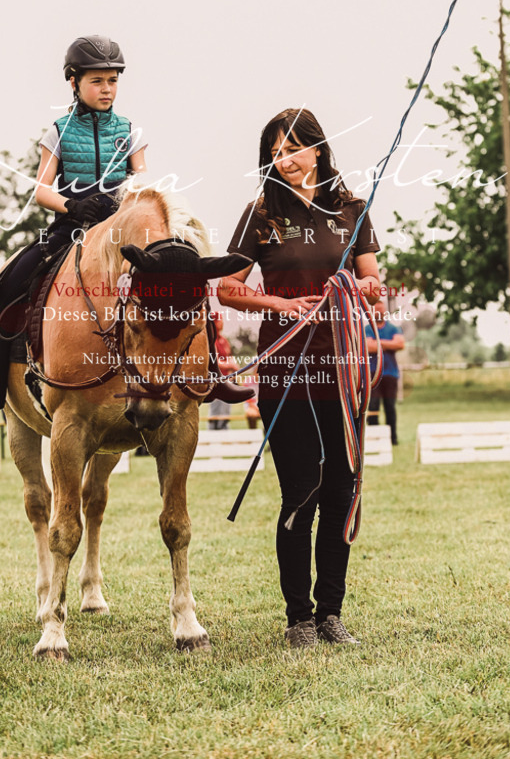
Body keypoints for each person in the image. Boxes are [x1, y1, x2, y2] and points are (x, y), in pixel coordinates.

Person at [218, 107, 380, 649]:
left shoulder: (352, 210)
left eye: (292, 148)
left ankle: (331, 613)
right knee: (301, 493)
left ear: (317, 149)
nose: (282, 159)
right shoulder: (260, 213)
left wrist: (370, 291)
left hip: (344, 372)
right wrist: (279, 305)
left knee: (341, 491)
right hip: (286, 372)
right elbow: (228, 288)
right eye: (274, 151)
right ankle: (299, 619)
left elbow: (371, 277)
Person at [0, 35, 146, 419]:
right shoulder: (57, 131)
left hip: (120, 231)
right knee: (6, 286)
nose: (106, 89)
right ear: (73, 82)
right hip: (70, 229)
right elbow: (42, 190)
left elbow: (143, 181)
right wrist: (73, 204)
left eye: (112, 80)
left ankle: (202, 375)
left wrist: (123, 201)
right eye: (97, 81)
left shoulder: (132, 131)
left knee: (179, 275)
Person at [365, 299, 405, 446]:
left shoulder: (394, 328)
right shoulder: (367, 329)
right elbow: (368, 347)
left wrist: (378, 343)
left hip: (390, 374)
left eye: (381, 310)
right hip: (372, 373)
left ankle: (392, 439)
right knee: (373, 407)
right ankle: (375, 438)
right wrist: (389, 344)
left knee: (390, 407)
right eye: (376, 310)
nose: (379, 313)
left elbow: (400, 344)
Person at [207, 314, 238, 430]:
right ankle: (213, 431)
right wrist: (231, 365)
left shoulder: (223, 339)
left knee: (226, 407)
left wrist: (233, 367)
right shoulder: (211, 340)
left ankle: (224, 429)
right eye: (220, 320)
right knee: (216, 408)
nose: (222, 323)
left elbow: (229, 355)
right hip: (216, 380)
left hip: (227, 379)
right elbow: (214, 361)